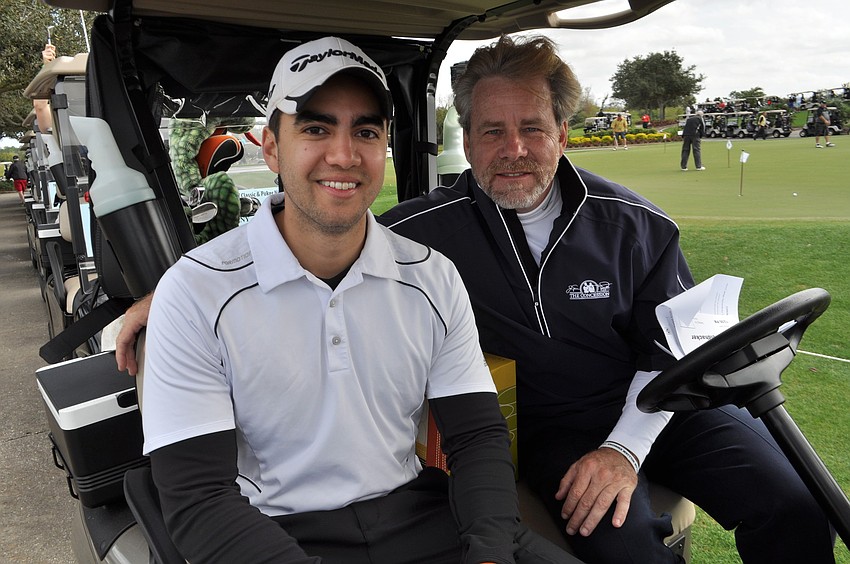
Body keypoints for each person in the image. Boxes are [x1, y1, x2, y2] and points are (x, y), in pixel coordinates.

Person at [118, 35, 836, 564]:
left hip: (661, 408)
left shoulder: (636, 225)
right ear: (468, 137)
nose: (513, 148)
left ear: (563, 130)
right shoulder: (426, 234)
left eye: (532, 128)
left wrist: (623, 449)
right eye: (492, 130)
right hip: (555, 430)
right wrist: (172, 290)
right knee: (631, 552)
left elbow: (671, 356)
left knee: (795, 504)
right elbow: (321, 228)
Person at [139, 36, 575, 564]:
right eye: (316, 128)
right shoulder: (195, 292)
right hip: (275, 534)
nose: (344, 155)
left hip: (419, 517)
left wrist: (488, 552)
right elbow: (198, 499)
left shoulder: (432, 277)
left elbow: (478, 435)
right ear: (272, 146)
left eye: (365, 131)